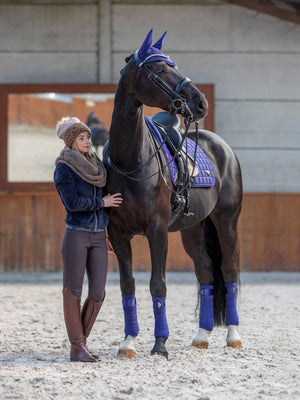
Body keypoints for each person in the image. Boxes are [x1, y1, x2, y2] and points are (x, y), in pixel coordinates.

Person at [54, 116, 122, 363]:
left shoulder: (96, 165)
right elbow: (72, 203)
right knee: (72, 291)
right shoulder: (64, 167)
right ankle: (77, 347)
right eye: (81, 138)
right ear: (71, 141)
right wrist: (101, 202)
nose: (86, 141)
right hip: (76, 234)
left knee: (98, 292)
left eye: (87, 137)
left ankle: (80, 344)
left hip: (97, 235)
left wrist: (105, 234)